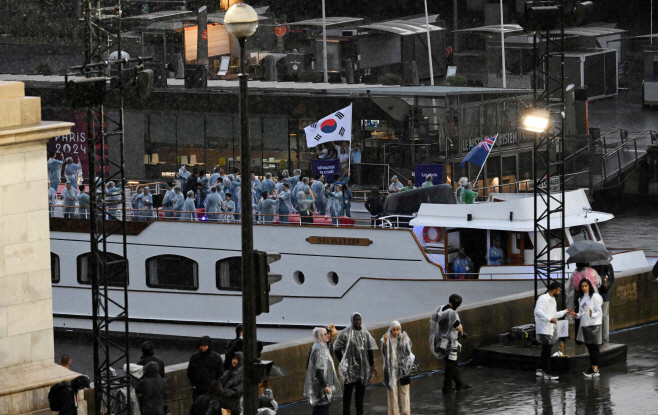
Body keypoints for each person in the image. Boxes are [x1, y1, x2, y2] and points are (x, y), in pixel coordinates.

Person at [334, 312, 378, 415]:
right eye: (355, 320)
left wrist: (372, 365)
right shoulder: (345, 333)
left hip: (361, 370)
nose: (357, 322)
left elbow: (369, 350)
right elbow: (337, 348)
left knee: (360, 397)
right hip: (349, 370)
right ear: (351, 320)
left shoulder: (364, 333)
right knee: (347, 396)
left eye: (359, 320)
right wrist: (343, 361)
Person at [429, 294, 471, 393]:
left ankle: (460, 384)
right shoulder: (452, 313)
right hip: (450, 342)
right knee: (451, 365)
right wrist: (461, 332)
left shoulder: (440, 308)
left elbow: (433, 322)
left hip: (440, 341)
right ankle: (446, 387)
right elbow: (456, 324)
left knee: (451, 363)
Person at [534, 282, 571, 380]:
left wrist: (564, 312)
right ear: (555, 289)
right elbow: (538, 312)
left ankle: (542, 369)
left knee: (546, 350)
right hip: (544, 328)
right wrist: (549, 319)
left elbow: (553, 314)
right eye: (559, 290)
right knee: (546, 350)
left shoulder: (553, 300)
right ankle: (547, 372)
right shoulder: (543, 298)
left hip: (550, 329)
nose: (559, 292)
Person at [304, 327, 342, 415]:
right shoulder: (318, 349)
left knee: (319, 407)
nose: (327, 336)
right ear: (319, 336)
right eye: (325, 334)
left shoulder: (322, 347)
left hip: (324, 382)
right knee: (322, 407)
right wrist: (325, 385)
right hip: (321, 385)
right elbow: (318, 370)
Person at [571, 279, 604, 377]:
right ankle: (593, 367)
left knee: (594, 346)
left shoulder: (595, 297)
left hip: (594, 324)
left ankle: (595, 369)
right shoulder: (581, 298)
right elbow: (582, 313)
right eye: (582, 286)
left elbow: (599, 312)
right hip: (585, 324)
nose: (584, 288)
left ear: (589, 286)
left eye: (586, 286)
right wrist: (575, 315)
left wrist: (591, 314)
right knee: (589, 346)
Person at [381, 321, 414, 415]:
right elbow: (384, 354)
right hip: (391, 370)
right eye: (394, 330)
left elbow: (408, 353)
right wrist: (386, 342)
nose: (396, 332)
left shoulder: (404, 338)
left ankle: (406, 412)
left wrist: (404, 342)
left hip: (402, 370)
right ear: (391, 330)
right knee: (393, 394)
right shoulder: (386, 339)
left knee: (404, 392)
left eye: (397, 329)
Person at [567, 263, 600, 339]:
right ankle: (589, 336)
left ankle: (578, 338)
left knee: (578, 316)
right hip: (589, 295)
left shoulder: (574, 273)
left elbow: (570, 286)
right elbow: (598, 282)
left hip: (578, 295)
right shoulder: (592, 271)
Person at [187, 336, 224, 401]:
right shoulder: (194, 357)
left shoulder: (216, 357)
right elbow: (190, 372)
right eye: (201, 346)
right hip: (198, 389)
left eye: (205, 346)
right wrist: (195, 384)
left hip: (211, 390)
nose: (203, 348)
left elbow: (220, 373)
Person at [593, 264, 615, 344]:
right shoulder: (608, 264)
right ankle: (605, 338)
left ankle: (597, 338)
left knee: (596, 316)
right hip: (605, 294)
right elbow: (612, 279)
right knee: (605, 316)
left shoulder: (593, 266)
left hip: (596, 295)